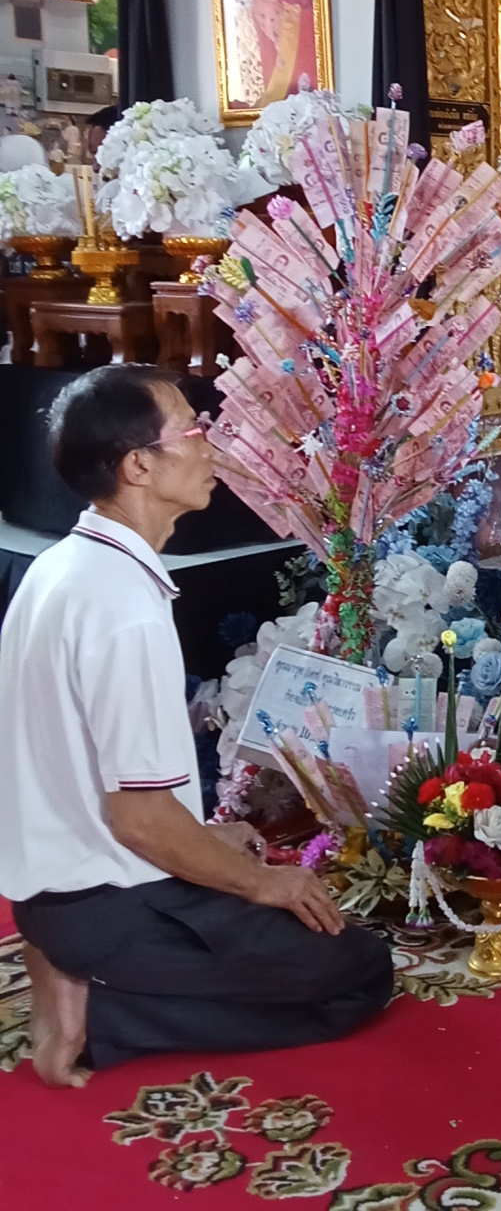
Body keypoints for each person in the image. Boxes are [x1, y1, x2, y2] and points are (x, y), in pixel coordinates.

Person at [0, 366, 393, 1087]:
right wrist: (259, 884)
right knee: (358, 971)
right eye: (193, 429)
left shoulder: (58, 566)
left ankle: (81, 966)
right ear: (139, 465)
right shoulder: (122, 606)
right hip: (109, 907)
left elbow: (76, 776)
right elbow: (141, 821)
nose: (212, 445)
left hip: (52, 893)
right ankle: (103, 1016)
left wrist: (209, 841)